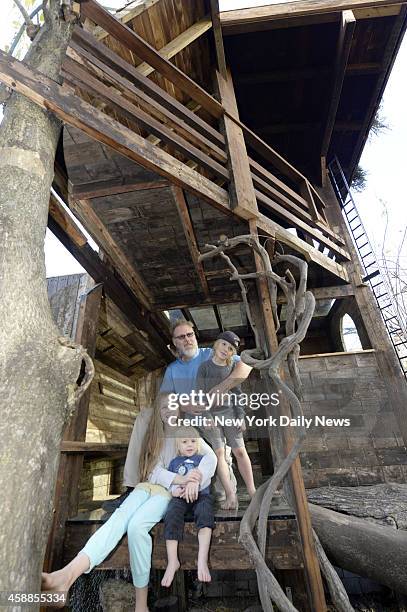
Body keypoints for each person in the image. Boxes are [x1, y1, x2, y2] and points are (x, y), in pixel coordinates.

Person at [42, 404, 216, 612]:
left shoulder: (188, 433)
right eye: (164, 408)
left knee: (136, 527)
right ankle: (67, 575)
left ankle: (141, 605)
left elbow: (210, 459)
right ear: (160, 413)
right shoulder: (159, 438)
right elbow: (153, 472)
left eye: (172, 407)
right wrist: (182, 478)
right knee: (119, 518)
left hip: (166, 494)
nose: (168, 411)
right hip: (145, 487)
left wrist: (195, 480)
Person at [105, 319, 252, 511]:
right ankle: (132, 487)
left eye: (190, 335)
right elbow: (165, 398)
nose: (187, 340)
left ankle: (226, 488)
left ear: (195, 336)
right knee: (145, 415)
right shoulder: (173, 370)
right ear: (174, 343)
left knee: (220, 494)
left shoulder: (213, 354)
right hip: (187, 422)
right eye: (181, 337)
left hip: (214, 421)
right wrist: (183, 404)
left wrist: (222, 387)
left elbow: (247, 366)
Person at [195, 331, 256, 510]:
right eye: (223, 344)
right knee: (220, 453)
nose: (226, 349)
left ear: (232, 353)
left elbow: (237, 395)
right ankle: (231, 495)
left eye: (230, 349)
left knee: (240, 451)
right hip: (211, 417)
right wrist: (206, 417)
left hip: (229, 414)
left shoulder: (230, 369)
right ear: (216, 344)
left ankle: (253, 491)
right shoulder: (204, 368)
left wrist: (241, 417)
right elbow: (199, 396)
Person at [161, 427, 214, 588]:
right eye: (184, 442)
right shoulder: (174, 462)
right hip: (181, 498)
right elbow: (171, 483)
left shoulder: (202, 459)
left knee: (205, 513)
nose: (189, 445)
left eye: (193, 441)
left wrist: (195, 484)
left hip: (201, 496)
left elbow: (207, 478)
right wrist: (174, 491)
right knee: (171, 514)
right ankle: (172, 561)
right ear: (178, 446)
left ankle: (202, 560)